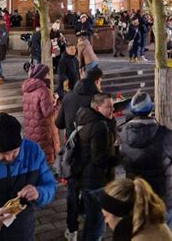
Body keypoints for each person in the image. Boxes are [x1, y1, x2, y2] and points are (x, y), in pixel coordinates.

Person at [120, 92, 172, 233]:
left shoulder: (123, 134)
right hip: (162, 198)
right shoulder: (164, 134)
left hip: (138, 196)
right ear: (150, 109)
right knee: (165, 234)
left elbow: (122, 159)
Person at [65, 93, 118, 241]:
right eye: (108, 107)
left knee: (91, 218)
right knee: (96, 224)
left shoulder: (85, 117)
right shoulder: (99, 127)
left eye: (112, 106)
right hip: (97, 181)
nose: (112, 110)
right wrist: (119, 157)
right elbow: (99, 159)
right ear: (97, 107)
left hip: (85, 177)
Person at [95, 178, 172, 240]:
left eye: (106, 216)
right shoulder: (150, 221)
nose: (105, 221)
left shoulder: (135, 236)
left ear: (120, 216)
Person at [22, 64, 60, 165]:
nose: (49, 75)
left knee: (36, 156)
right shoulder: (43, 91)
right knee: (46, 158)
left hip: (31, 129)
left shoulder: (27, 90)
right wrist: (55, 103)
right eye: (47, 73)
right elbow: (48, 112)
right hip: (43, 129)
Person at [56, 66, 103, 138]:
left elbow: (59, 124)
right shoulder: (98, 99)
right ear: (96, 82)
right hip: (92, 143)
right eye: (100, 82)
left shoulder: (68, 96)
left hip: (72, 144)